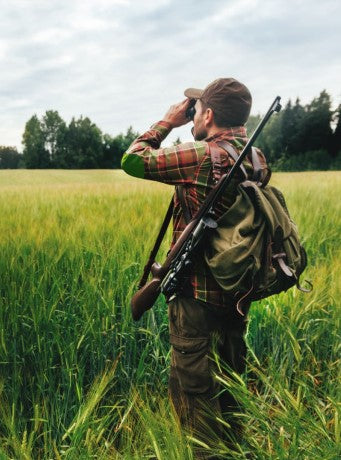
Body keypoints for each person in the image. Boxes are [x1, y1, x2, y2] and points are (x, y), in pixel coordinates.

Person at [121, 78, 270, 456]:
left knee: (195, 403)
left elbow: (133, 160)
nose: (192, 116)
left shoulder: (200, 156)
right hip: (237, 294)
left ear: (209, 114)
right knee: (230, 395)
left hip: (194, 298)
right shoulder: (255, 157)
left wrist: (168, 122)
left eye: (196, 109)